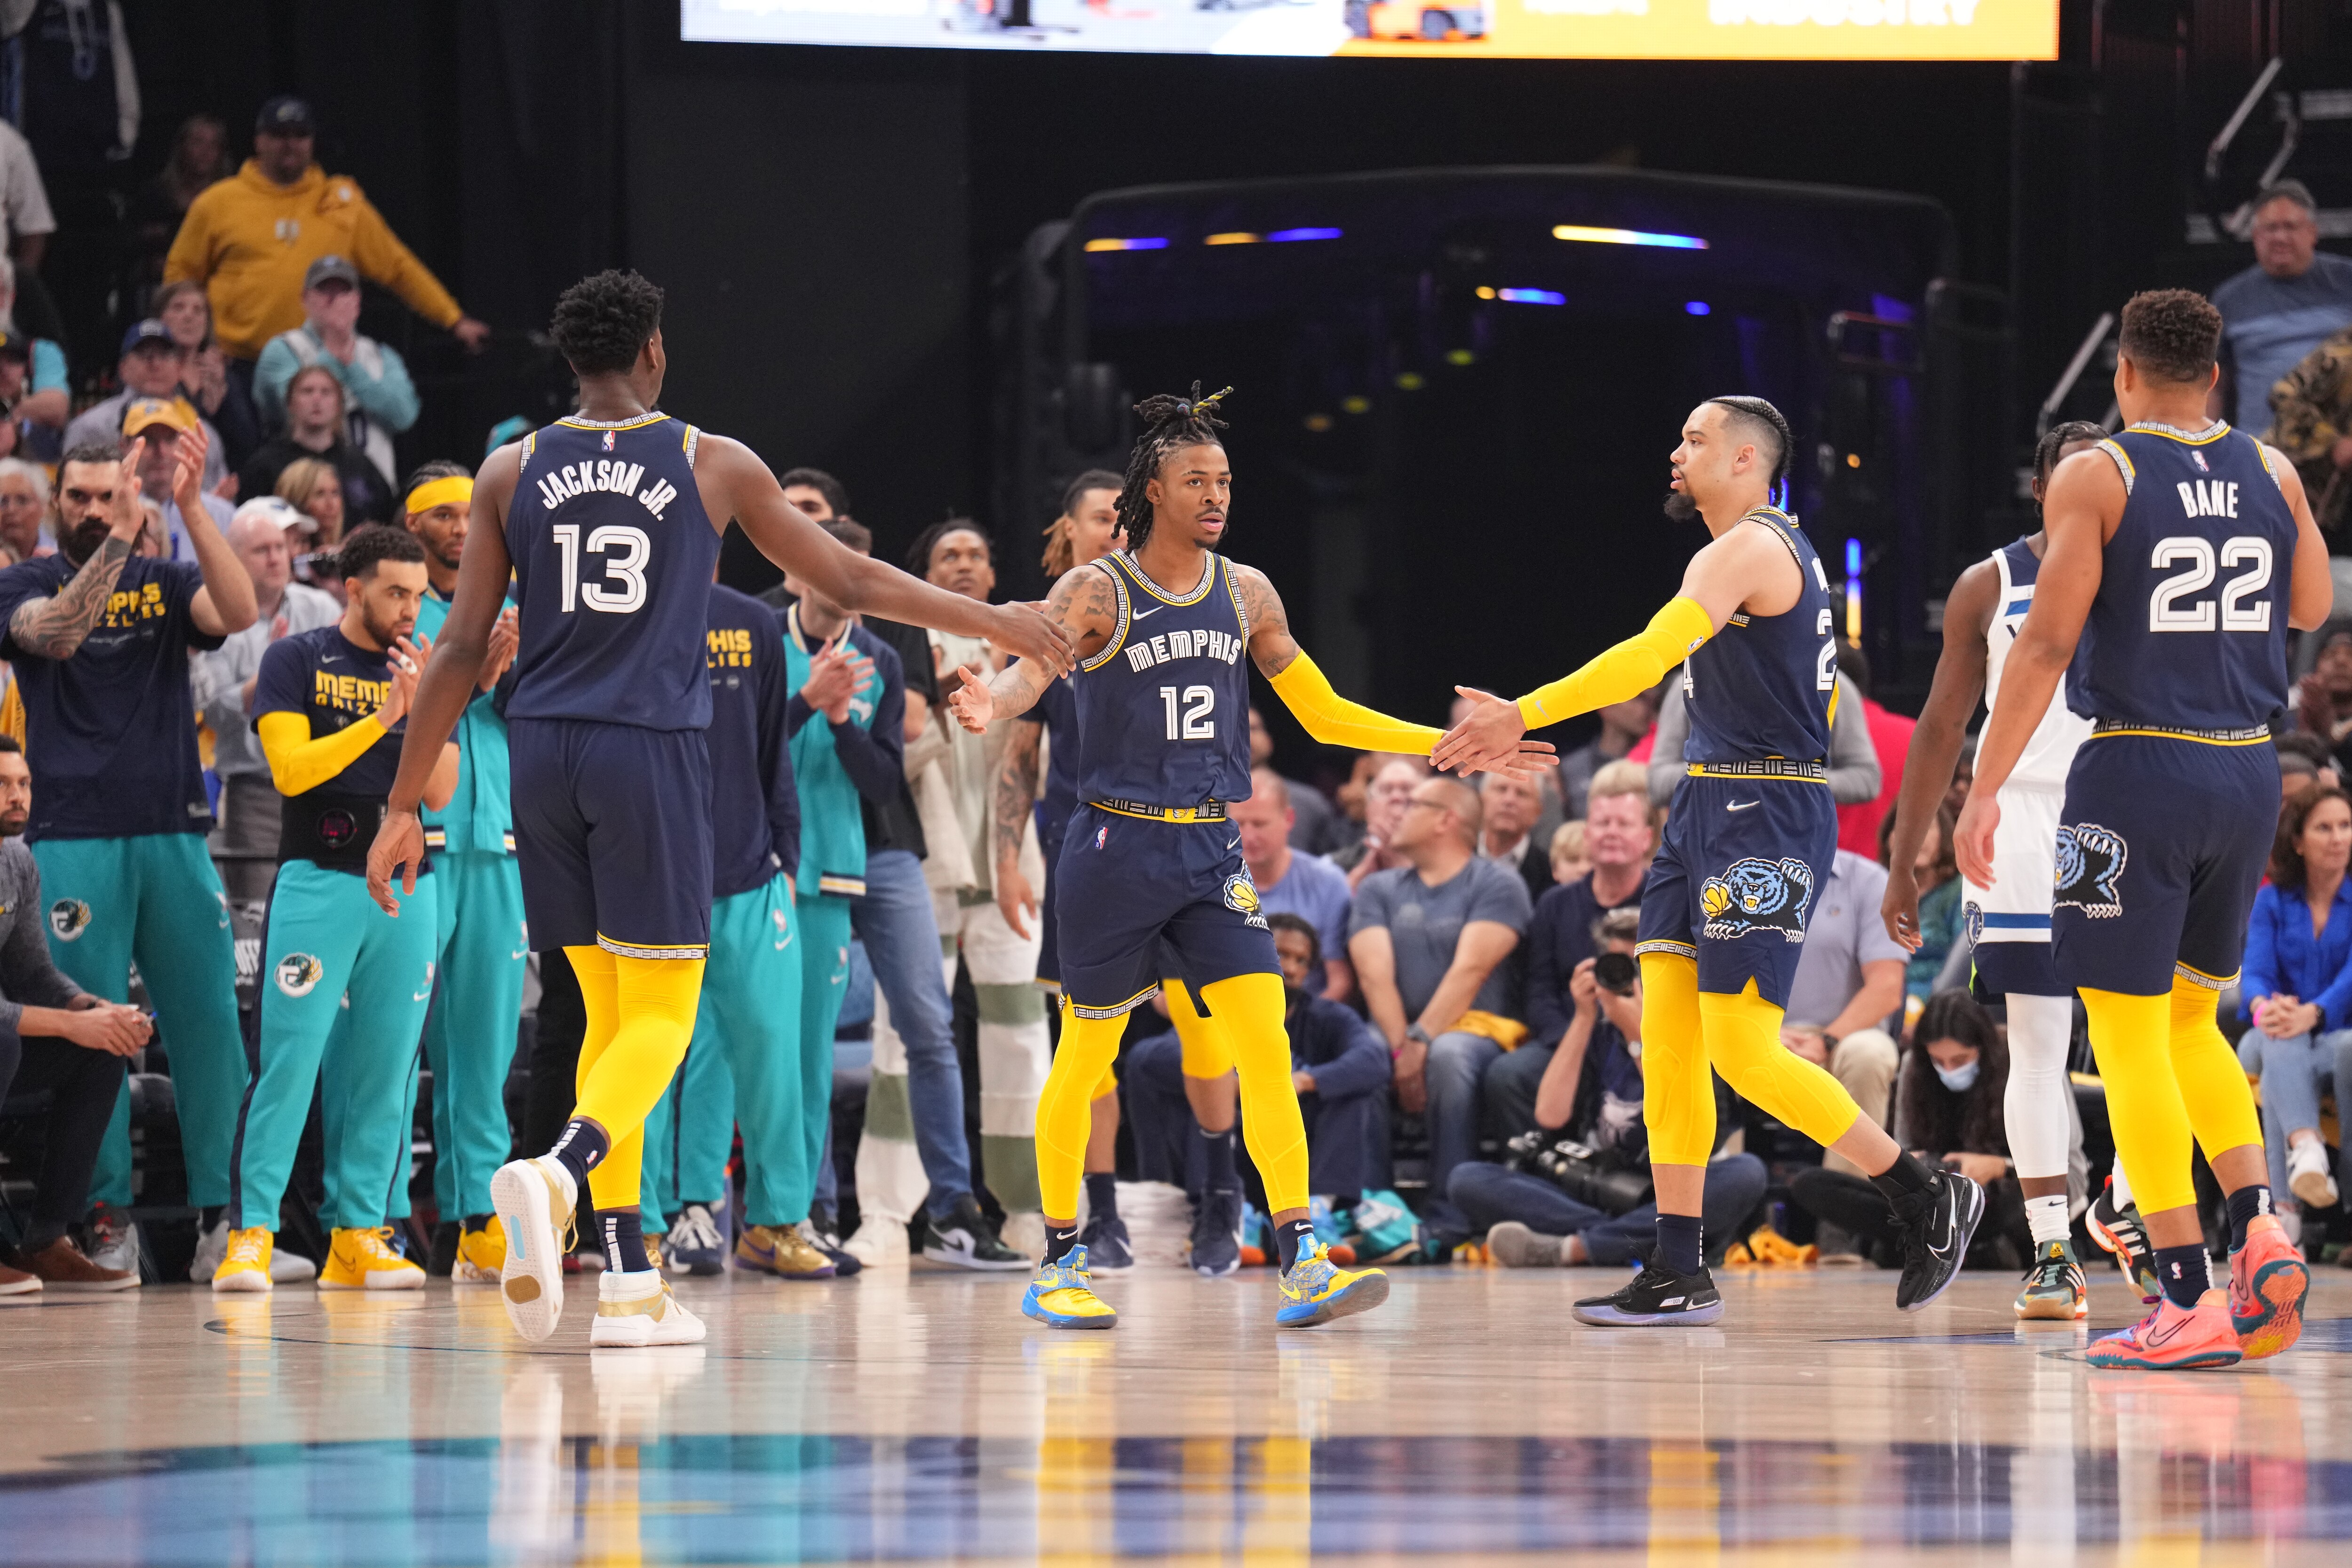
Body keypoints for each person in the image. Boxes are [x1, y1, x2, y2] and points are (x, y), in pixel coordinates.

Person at [365, 269, 1067, 1348]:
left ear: (571, 363)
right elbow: (850, 576)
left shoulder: (510, 468)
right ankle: (557, 1176)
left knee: (607, 1019)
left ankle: (632, 1284)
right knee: (663, 1015)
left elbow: (458, 648)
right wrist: (997, 619)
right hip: (647, 752)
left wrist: (401, 805)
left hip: (543, 754)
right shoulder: (710, 460)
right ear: (653, 352)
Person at [947, 385, 1517, 1329]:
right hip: (1112, 843)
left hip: (1209, 847)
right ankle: (1057, 1260)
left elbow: (1326, 712)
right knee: (1087, 1057)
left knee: (1266, 1040)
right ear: (1151, 492)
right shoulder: (1096, 589)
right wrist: (989, 703)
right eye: (1195, 481)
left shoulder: (1246, 589)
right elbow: (1028, 676)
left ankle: (1299, 1254)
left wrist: (1441, 740)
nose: (1215, 495)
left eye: (1224, 480)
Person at [1441, 393, 1983, 1327]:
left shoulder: (1751, 545)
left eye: (1693, 439)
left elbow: (1650, 655)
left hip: (1763, 807)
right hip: (1705, 801)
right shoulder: (1746, 549)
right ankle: (1678, 1262)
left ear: (1745, 461)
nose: (1675, 451)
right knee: (1671, 1048)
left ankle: (1923, 1190)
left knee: (1739, 1045)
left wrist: (1521, 711)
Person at [1954, 288, 2330, 1370]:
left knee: (2123, 1041)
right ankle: (2258, 1227)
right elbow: (2308, 605)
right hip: (2246, 771)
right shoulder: (2272, 471)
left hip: (2134, 768)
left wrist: (1983, 789)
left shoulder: (2100, 472)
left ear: (2121, 374)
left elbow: (2041, 648)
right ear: (2217, 376)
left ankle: (2183, 1296)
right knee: (2191, 1026)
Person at [0, 433, 257, 1279]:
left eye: (108, 496)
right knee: (97, 1022)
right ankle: (105, 1215)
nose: (92, 510)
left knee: (210, 1023)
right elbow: (59, 636)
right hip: (70, 834)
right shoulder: (24, 583)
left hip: (174, 827)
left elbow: (243, 610)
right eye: (78, 496)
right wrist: (124, 534)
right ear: (55, 501)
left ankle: (230, 1214)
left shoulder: (167, 581)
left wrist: (187, 508)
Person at [1881, 418, 2107, 1319]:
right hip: (2015, 815)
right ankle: (2054, 1246)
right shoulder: (1994, 580)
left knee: (2154, 1035)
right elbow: (1941, 726)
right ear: (2043, 486)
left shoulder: (2145, 568)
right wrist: (1904, 858)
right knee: (2041, 1044)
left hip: (2125, 806)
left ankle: (2133, 1205)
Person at [210, 527, 457, 1292]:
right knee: (289, 1061)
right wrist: (383, 716)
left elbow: (441, 790)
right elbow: (290, 770)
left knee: (388, 1070)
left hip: (410, 886)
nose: (410, 607)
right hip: (318, 876)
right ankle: (251, 1231)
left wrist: (422, 707)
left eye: (418, 594)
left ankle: (358, 1234)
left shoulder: (429, 666)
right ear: (353, 587)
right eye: (395, 591)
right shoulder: (297, 658)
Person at [641, 579, 828, 1281]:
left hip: (751, 875)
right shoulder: (626, 612)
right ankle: (646, 1228)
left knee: (773, 1055)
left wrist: (787, 852)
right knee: (649, 1063)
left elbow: (768, 747)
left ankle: (777, 1221)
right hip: (656, 876)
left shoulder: (752, 620)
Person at [392, 463, 528, 1281]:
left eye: (465, 511)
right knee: (396, 1042)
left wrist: (504, 685)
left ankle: (477, 1216)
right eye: (439, 513)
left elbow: (530, 709)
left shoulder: (513, 609)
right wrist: (477, 679)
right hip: (421, 842)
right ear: (411, 527)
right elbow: (414, 707)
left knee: (485, 1044)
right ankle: (372, 1214)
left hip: (499, 841)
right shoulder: (405, 610)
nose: (456, 525)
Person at [1463, 910, 1771, 1269]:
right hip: (1598, 1186)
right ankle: (1629, 1240)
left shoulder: (1700, 1030)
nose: (1630, 978)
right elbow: (1550, 1115)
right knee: (1469, 1179)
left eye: (1641, 966)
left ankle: (1574, 1248)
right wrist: (1582, 1018)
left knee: (1746, 1173)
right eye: (1618, 965)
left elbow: (1698, 1131)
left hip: (1670, 1192)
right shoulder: (1600, 1033)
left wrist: (1640, 1038)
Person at [993, 468, 1132, 1259]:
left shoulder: (1172, 600)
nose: (1118, 532)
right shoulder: (1051, 621)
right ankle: (1098, 1215)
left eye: (1127, 519)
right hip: (1079, 846)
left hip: (1173, 843)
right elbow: (1020, 756)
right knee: (1090, 1042)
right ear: (1070, 531)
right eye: (1104, 519)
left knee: (1212, 1034)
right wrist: (1007, 861)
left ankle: (1224, 1206)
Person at [908, 517, 1053, 1253]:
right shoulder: (902, 642)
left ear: (994, 577)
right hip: (926, 867)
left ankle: (1029, 1210)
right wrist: (934, 697)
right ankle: (885, 1214)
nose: (963, 565)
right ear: (925, 575)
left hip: (1009, 874)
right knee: (903, 1042)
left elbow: (1040, 767)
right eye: (947, 556)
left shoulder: (1026, 648)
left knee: (1021, 1041)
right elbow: (887, 759)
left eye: (976, 555)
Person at [162, 97, 490, 365]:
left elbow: (397, 267)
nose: (289, 145)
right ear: (259, 141)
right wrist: (191, 347)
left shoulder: (340, 203)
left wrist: (453, 319)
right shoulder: (218, 202)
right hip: (235, 362)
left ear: (312, 142)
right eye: (279, 135)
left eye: (299, 135)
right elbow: (180, 275)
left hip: (316, 366)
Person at [1124, 912, 1391, 1234]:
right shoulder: (1221, 1014)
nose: (1291, 968)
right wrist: (1229, 1082)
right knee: (1206, 1093)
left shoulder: (1326, 1017)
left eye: (1301, 961)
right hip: (1236, 1149)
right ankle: (1234, 1218)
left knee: (1352, 1093)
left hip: (1301, 1154)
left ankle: (1320, 1210)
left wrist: (1307, 1081)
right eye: (1282, 955)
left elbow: (1373, 1059)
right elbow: (1148, 1057)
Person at [0, 736, 154, 1294]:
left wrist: (93, 1009)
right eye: (3, 786)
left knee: (101, 1049)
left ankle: (46, 1239)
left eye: (23, 784)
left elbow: (36, 973)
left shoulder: (17, 858)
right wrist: (70, 1022)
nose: (17, 798)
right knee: (7, 1041)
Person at [1349, 775, 1532, 1207]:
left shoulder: (1498, 883)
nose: (1399, 810)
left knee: (1450, 1055)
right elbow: (1374, 977)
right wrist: (1402, 1050)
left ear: (1445, 821)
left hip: (1477, 1030)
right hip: (1396, 1033)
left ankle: (1453, 1205)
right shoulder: (1378, 888)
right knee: (1364, 1055)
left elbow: (1471, 971)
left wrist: (1419, 1044)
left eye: (1412, 804)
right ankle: (1372, 1209)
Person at [1788, 991, 2056, 1279]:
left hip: (1998, 1198)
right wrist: (1914, 1165)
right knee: (1813, 1184)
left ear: (1984, 1047)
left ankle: (1947, 1243)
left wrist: (2000, 1167)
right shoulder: (1916, 1065)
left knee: (2019, 1201)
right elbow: (1905, 1147)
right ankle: (1950, 1244)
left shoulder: (2023, 1060)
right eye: (1939, 1060)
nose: (1948, 1069)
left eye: (1960, 1059)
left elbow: (2068, 1166)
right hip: (1934, 1196)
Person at [1485, 760, 1654, 1141]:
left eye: (1623, 824)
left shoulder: (1669, 902)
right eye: (1602, 824)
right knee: (1507, 1076)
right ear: (1587, 834)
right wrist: (1573, 1040)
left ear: (1646, 838)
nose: (1611, 833)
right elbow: (1538, 990)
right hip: (1570, 1033)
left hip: (1648, 1039)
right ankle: (1542, 1167)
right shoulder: (1554, 904)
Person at [195, 496, 343, 904]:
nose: (276, 558)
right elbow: (216, 710)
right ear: (236, 558)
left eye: (281, 548)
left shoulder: (323, 607)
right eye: (262, 550)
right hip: (254, 790)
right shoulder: (216, 617)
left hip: (322, 786)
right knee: (258, 912)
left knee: (318, 906)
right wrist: (272, 672)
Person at [2237, 784, 2352, 1233]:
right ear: (2299, 842)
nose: (2338, 837)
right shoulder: (2272, 899)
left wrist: (2315, 1013)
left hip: (2336, 1036)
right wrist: (2267, 1004)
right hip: (2273, 1033)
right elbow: (2256, 973)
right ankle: (2306, 1148)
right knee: (2273, 1034)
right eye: (2324, 828)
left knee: (2337, 1048)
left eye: (2345, 826)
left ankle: (2283, 1215)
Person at [254, 256, 420, 489]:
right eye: (325, 291)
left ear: (357, 301)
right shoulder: (283, 350)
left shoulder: (380, 355)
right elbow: (289, 410)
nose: (334, 299)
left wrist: (353, 368)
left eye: (343, 292)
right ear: (305, 298)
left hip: (370, 487)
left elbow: (404, 416)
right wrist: (332, 352)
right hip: (301, 488)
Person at [2213, 181, 2352, 435]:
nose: (2280, 237)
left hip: (2341, 453)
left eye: (2290, 227)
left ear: (2313, 232)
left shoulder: (2347, 281)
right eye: (2270, 228)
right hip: (2262, 454)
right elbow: (2212, 386)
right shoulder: (2230, 298)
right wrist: (2203, 447)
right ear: (2255, 237)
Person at [1642, 671, 1880, 810]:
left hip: (1801, 845)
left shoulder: (1826, 680)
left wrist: (1787, 779)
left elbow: (1867, 779)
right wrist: (1735, 773)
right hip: (1709, 844)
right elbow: (1658, 782)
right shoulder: (1694, 677)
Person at [1230, 768, 1354, 1002]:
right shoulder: (1207, 884)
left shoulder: (1328, 882)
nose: (1249, 836)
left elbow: (1341, 982)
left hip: (1306, 1019)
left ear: (1289, 819)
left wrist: (1297, 1025)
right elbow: (1171, 990)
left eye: (1259, 824)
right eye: (1239, 824)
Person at [61, 320, 230, 491]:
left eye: (164, 355)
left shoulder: (202, 431)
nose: (155, 364)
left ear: (179, 368)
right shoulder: (91, 427)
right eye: (144, 355)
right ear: (123, 369)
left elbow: (215, 492)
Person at [239, 365, 395, 525]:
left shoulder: (360, 465)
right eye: (307, 391)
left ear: (338, 406)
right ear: (290, 403)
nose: (317, 399)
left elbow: (387, 516)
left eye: (326, 392)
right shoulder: (265, 465)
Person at [155, 280, 262, 471]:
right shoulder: (149, 371)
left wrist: (223, 398)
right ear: (160, 318)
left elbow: (247, 442)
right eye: (179, 308)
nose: (189, 316)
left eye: (199, 311)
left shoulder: (222, 375)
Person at [122, 396, 234, 562]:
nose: (161, 451)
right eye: (149, 440)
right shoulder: (113, 514)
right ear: (124, 446)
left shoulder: (221, 516)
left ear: (184, 445)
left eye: (170, 439)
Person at [1247, 704, 1340, 853]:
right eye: (1235, 730)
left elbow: (1332, 862)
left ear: (1269, 740)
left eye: (1253, 729)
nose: (1245, 737)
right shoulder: (1204, 802)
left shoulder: (1310, 803)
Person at [1556, 688, 1657, 822]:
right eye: (1638, 698)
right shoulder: (1569, 768)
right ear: (1606, 705)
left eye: (1653, 702)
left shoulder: (1655, 764)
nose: (1648, 710)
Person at [1331, 755, 1428, 890]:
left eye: (1407, 789)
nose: (1397, 797)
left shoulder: (1449, 862)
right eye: (1386, 790)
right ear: (1369, 809)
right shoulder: (1335, 866)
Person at [1477, 770, 1557, 908]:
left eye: (1521, 794)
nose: (1509, 801)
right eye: (1501, 790)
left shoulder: (1550, 876)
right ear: (1481, 800)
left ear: (1538, 811)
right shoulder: (1454, 858)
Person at [0, 457, 51, 560]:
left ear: (43, 507)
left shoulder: (56, 556)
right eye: (3, 501)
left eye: (22, 501)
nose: (11, 510)